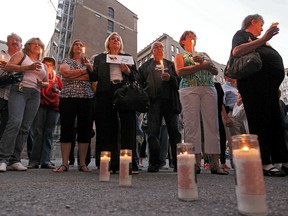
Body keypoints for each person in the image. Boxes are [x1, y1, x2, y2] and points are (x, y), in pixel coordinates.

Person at [231, 14, 288, 176]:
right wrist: (264, 38)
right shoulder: (242, 34)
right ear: (253, 21)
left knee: (275, 120)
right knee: (259, 120)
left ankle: (282, 159)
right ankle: (264, 162)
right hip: (253, 83)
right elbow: (237, 51)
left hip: (269, 85)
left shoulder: (258, 39)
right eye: (261, 25)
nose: (262, 29)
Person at [174, 30, 228, 175]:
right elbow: (179, 71)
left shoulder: (204, 54)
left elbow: (215, 71)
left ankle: (215, 162)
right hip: (189, 89)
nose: (193, 38)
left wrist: (205, 63)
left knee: (212, 123)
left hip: (208, 88)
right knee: (192, 124)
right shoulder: (181, 55)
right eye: (189, 36)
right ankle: (194, 162)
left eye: (194, 36)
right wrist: (199, 67)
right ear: (183, 41)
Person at [91, 32, 138, 174]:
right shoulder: (100, 58)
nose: (115, 40)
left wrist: (128, 71)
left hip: (124, 92)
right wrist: (89, 67)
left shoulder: (128, 57)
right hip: (106, 92)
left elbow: (136, 77)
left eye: (118, 39)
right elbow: (94, 77)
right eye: (112, 39)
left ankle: (129, 164)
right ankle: (109, 164)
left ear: (121, 43)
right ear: (108, 43)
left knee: (128, 127)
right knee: (107, 127)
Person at [0, 37, 48, 172]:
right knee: (14, 122)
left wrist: (42, 84)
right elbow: (9, 66)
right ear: (28, 45)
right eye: (34, 44)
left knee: (25, 127)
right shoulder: (22, 55)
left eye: (39, 44)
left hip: (35, 94)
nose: (37, 46)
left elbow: (47, 83)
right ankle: (3, 158)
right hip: (19, 90)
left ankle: (15, 159)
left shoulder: (43, 64)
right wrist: (28, 67)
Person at [138, 41, 182, 172]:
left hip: (170, 102)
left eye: (161, 47)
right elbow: (139, 82)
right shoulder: (145, 66)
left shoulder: (171, 65)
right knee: (153, 133)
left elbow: (180, 81)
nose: (159, 48)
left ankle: (178, 162)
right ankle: (154, 162)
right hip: (153, 102)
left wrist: (171, 78)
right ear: (152, 51)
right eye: (156, 47)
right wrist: (146, 93)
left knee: (174, 133)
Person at [53, 39, 94, 173]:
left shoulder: (89, 63)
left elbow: (93, 77)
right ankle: (65, 163)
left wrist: (77, 73)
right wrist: (84, 72)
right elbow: (65, 74)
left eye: (81, 45)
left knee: (85, 131)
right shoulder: (67, 61)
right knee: (67, 129)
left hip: (86, 98)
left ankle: (82, 163)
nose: (79, 46)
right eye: (76, 44)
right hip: (68, 97)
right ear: (72, 48)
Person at [28, 57, 62, 169]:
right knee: (38, 132)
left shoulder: (57, 79)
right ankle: (34, 160)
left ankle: (46, 160)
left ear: (53, 67)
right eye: (45, 64)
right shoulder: (39, 78)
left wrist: (55, 89)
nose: (48, 67)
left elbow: (61, 93)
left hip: (54, 107)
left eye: (50, 65)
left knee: (49, 133)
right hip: (41, 105)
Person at [0, 33, 22, 139]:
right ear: (7, 43)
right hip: (1, 93)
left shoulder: (23, 61)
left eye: (17, 40)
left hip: (13, 97)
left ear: (21, 45)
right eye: (12, 40)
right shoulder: (1, 55)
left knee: (6, 126)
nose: (15, 42)